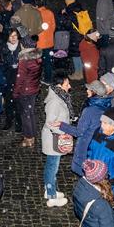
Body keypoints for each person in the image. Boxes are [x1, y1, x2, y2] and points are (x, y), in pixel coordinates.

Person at [58, 80, 113, 175]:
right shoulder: (109, 109)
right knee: (93, 173)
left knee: (83, 172)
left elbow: (79, 132)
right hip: (99, 147)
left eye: (89, 89)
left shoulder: (89, 110)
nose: (87, 90)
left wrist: (61, 125)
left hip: (86, 147)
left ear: (94, 92)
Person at [42, 73, 74, 207]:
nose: (70, 87)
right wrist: (65, 132)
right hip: (54, 138)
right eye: (67, 84)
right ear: (59, 85)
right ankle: (51, 196)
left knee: (52, 165)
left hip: (55, 137)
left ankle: (50, 189)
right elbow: (51, 123)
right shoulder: (55, 101)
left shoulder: (60, 96)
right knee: (52, 167)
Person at [72, 159, 114, 227]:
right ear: (101, 179)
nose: (108, 175)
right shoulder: (102, 205)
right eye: (106, 174)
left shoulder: (80, 184)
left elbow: (77, 210)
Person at [14, 35, 43, 148]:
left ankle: (28, 138)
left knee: (25, 115)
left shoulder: (24, 60)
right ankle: (33, 135)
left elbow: (20, 78)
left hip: (25, 91)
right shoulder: (37, 58)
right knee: (31, 113)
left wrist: (16, 92)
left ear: (23, 45)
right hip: (34, 89)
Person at [0, 28, 21, 131]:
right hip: (8, 77)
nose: (13, 38)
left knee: (18, 101)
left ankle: (19, 123)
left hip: (19, 77)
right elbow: (2, 63)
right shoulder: (4, 48)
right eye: (11, 36)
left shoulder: (21, 47)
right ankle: (9, 121)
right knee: (8, 101)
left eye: (15, 35)